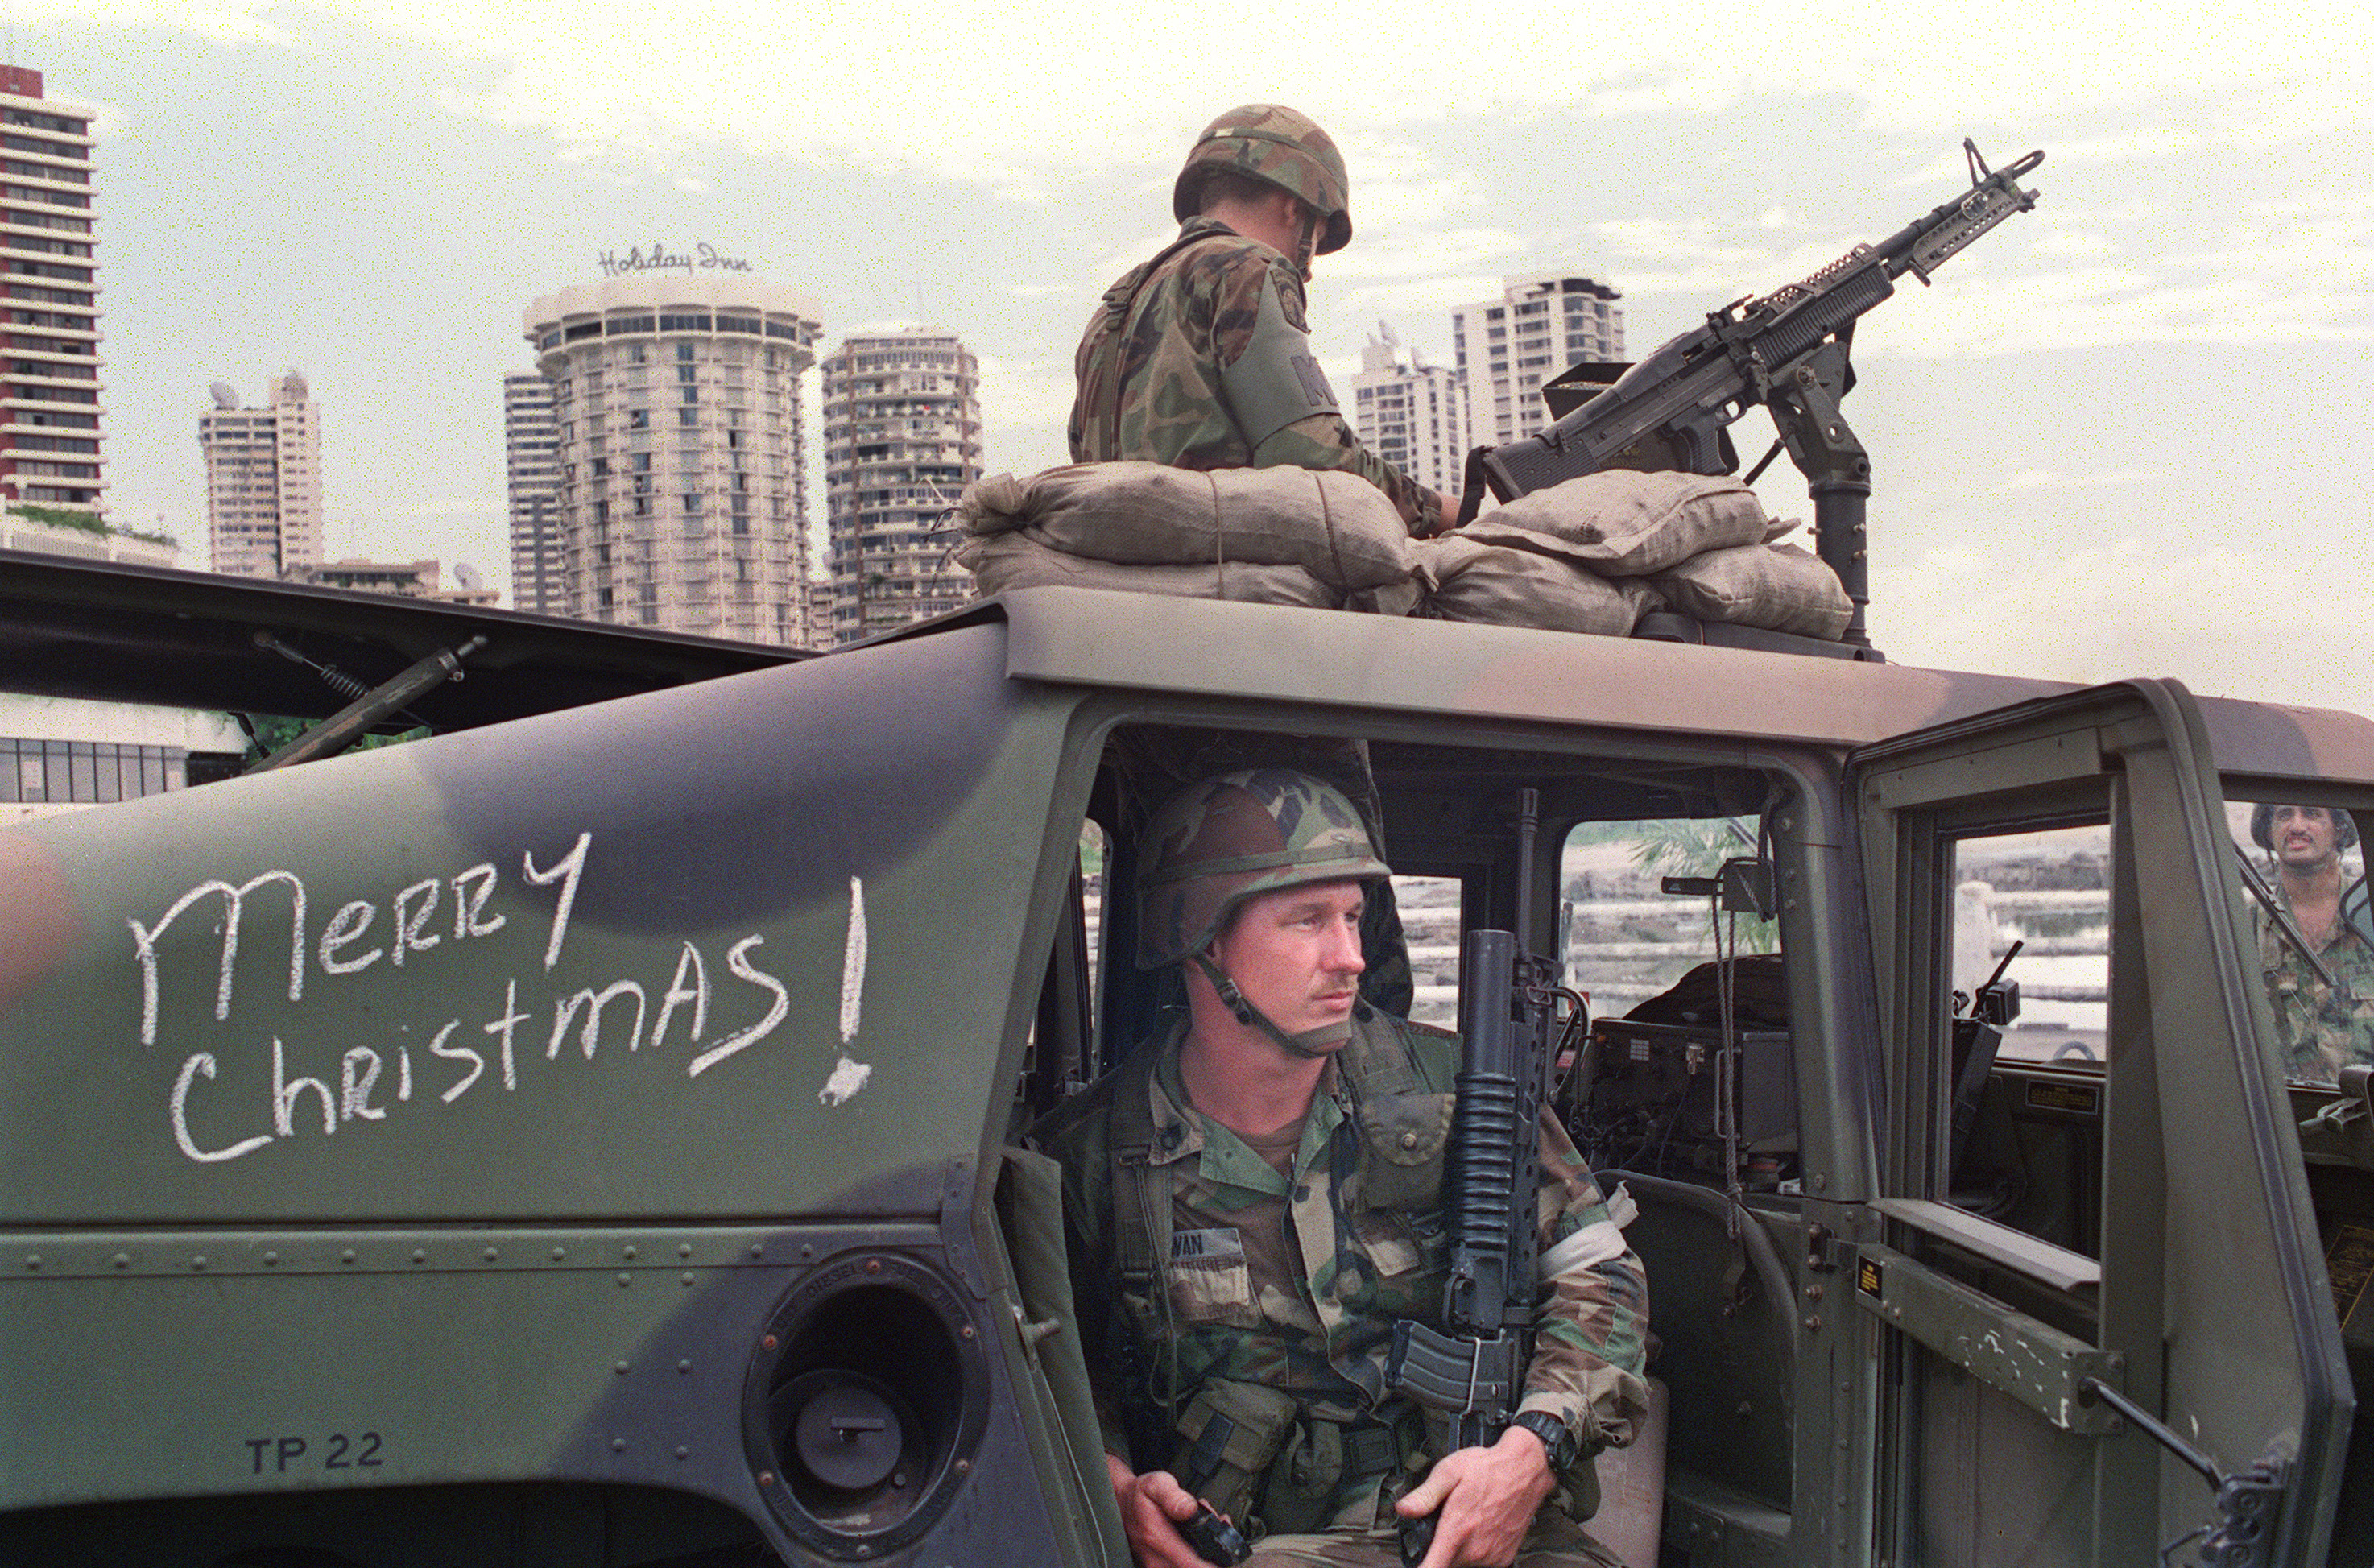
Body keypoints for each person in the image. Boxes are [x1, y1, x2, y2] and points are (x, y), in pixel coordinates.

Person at [1036, 769, 1648, 1568]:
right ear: (1204, 940)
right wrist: (1109, 1484)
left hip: (1475, 1531)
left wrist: (1531, 1450)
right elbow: (1047, 1369)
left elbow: (1598, 1275)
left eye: (1354, 917)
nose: (1350, 957)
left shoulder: (1459, 1091)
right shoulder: (1090, 1156)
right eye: (1308, 920)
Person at [1069, 105, 1460, 540]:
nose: (1308, 269)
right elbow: (1311, 456)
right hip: (1222, 565)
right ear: (1293, 208)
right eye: (1317, 237)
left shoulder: (1114, 308)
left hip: (1113, 569)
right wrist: (1440, 511)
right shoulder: (1249, 269)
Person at [2250, 802, 2374, 1082]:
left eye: (2312, 814)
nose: (2296, 826)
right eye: (2284, 815)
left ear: (2340, 828)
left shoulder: (2367, 914)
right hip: (2285, 1107)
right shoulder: (2245, 926)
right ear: (2268, 832)